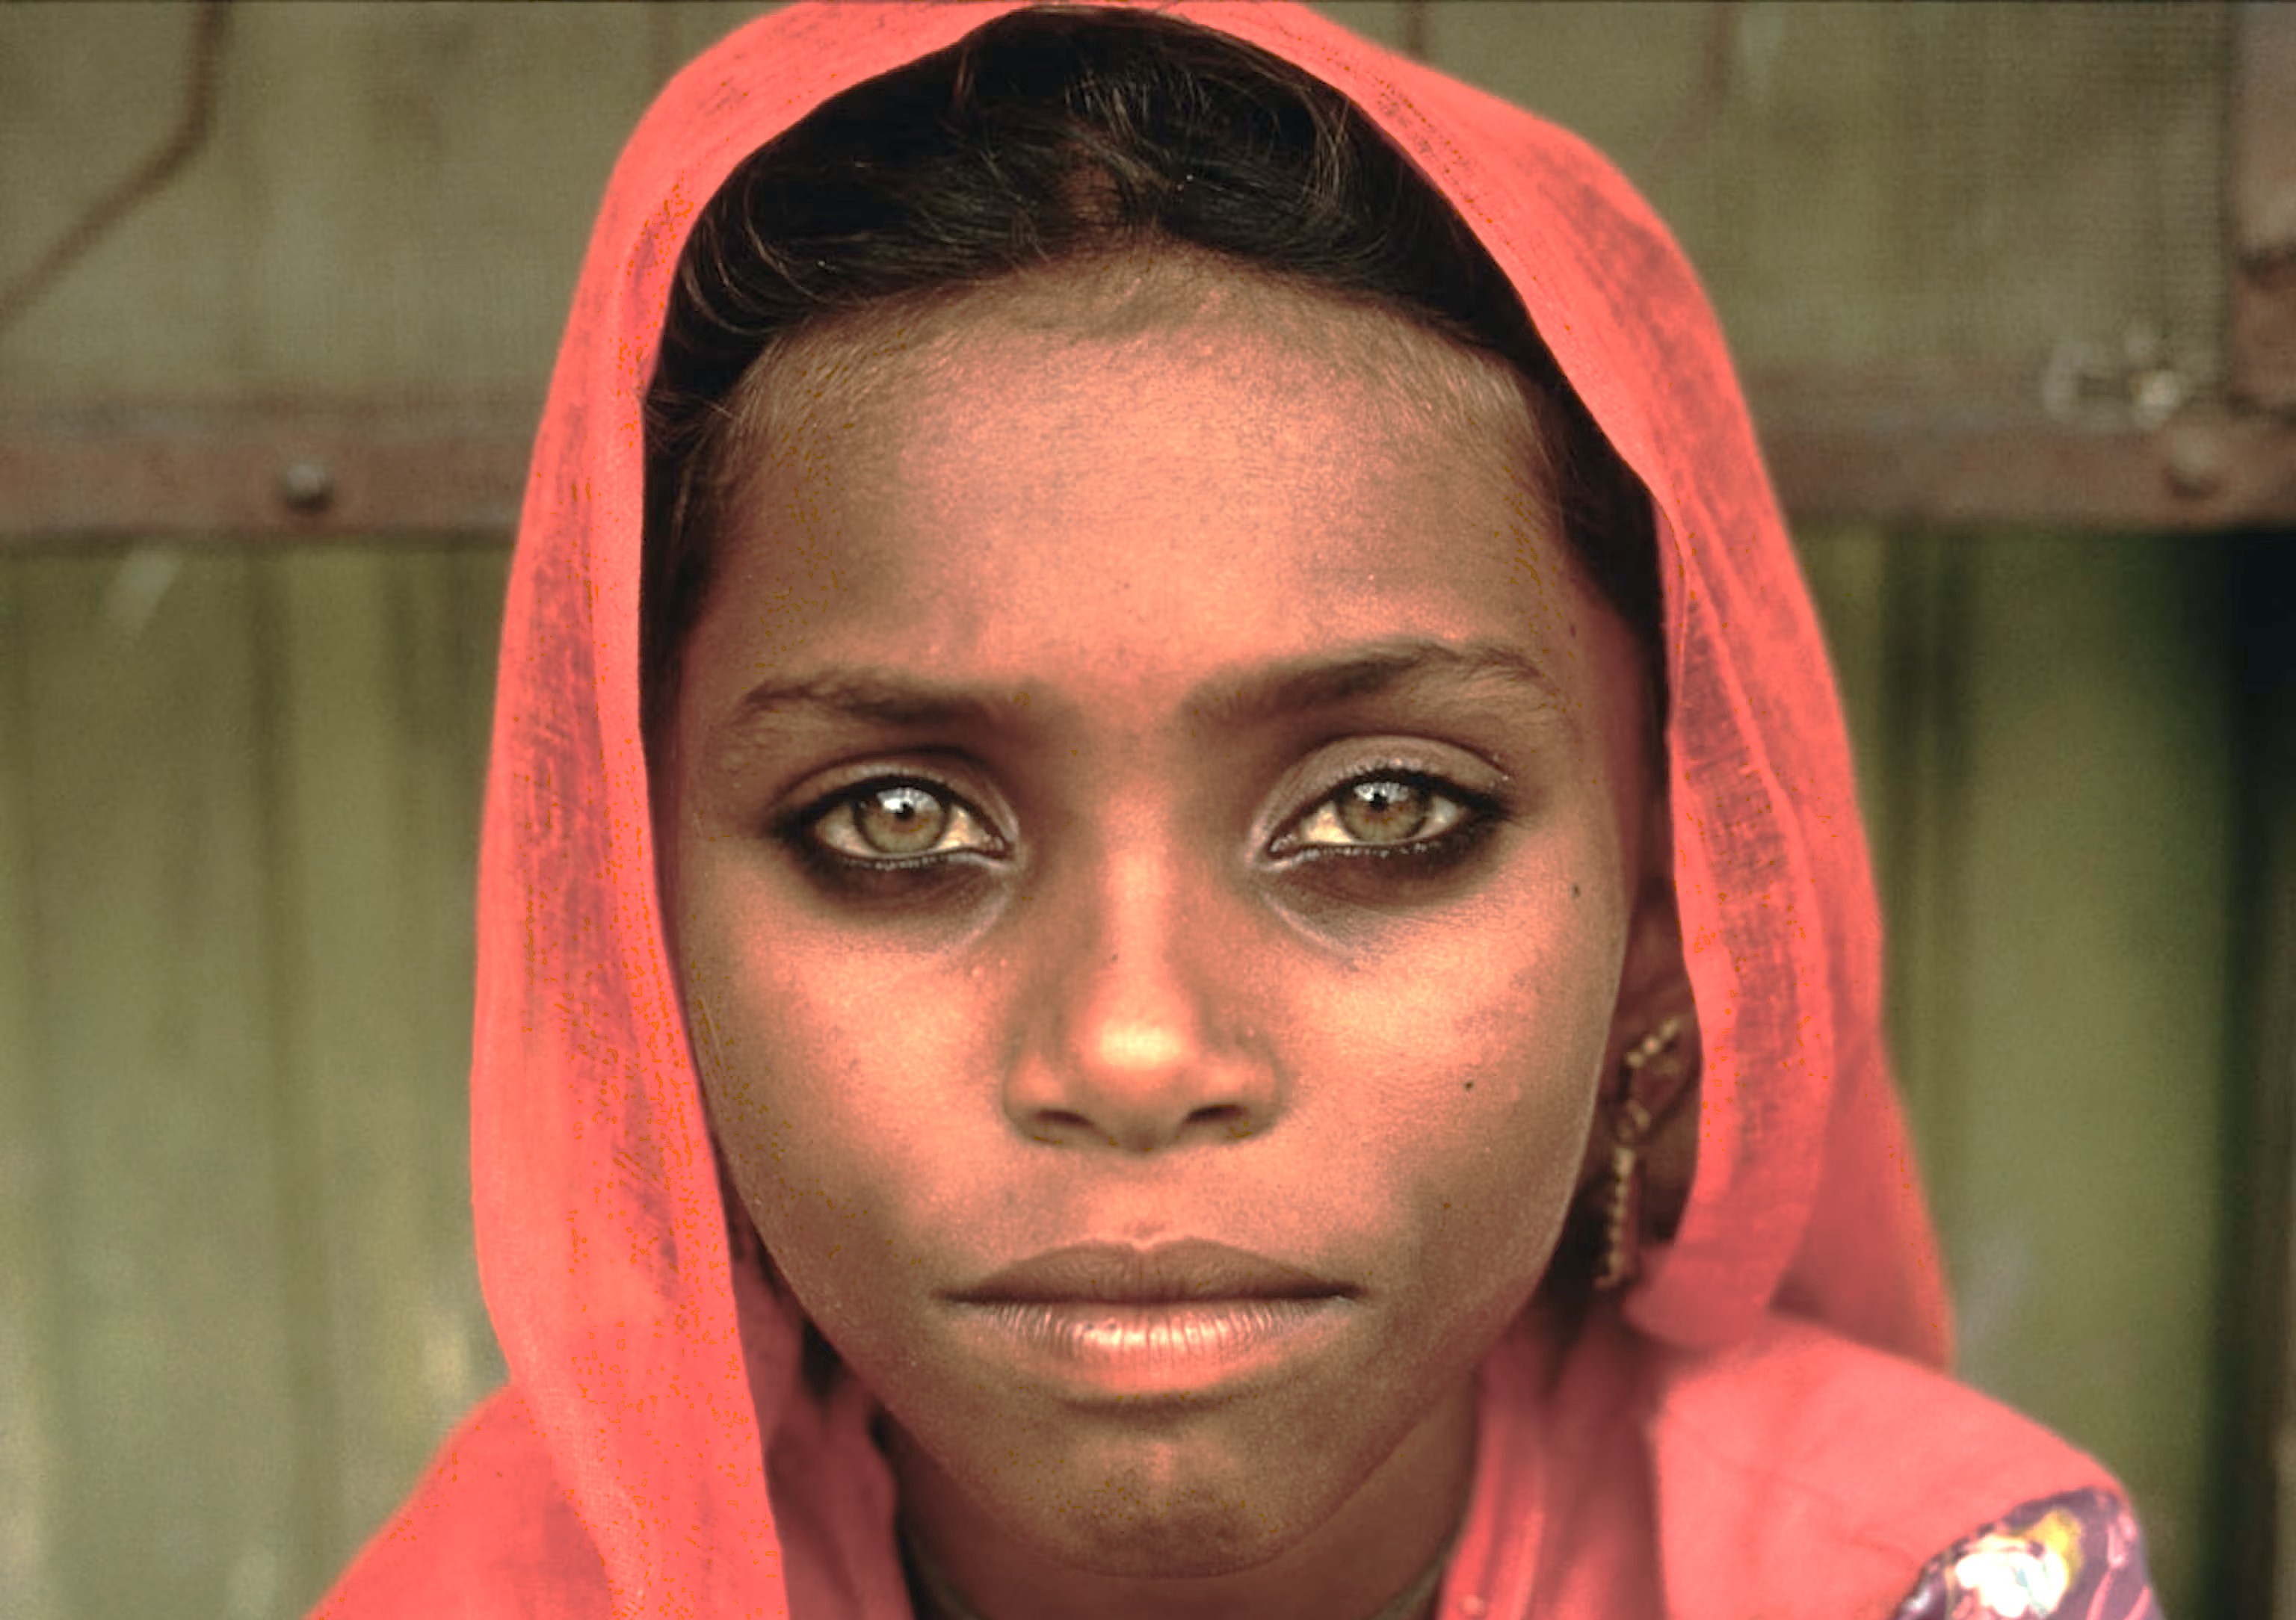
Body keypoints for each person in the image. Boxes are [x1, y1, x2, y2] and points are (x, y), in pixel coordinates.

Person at [312, 4, 2161, 1616]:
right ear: (642, 949)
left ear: (1666, 923)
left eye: (1380, 806)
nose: (1134, 1048)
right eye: (893, 820)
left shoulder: (1926, 1584)